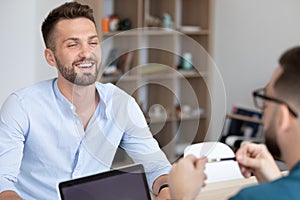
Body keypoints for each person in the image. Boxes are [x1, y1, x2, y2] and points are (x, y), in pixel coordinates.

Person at [0, 2, 171, 199]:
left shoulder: (122, 104)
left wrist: (165, 189)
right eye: (73, 44)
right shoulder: (21, 106)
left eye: (92, 42)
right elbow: (3, 181)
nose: (86, 53)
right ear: (51, 57)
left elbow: (156, 166)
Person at [168, 46, 300, 200]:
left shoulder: (250, 197)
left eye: (265, 104)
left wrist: (181, 195)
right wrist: (277, 182)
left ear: (282, 117)